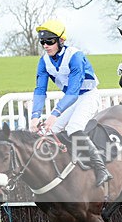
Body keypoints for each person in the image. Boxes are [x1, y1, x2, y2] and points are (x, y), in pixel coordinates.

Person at [29, 19, 112, 187]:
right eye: (42, 42)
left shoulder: (75, 56)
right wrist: (35, 116)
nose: (45, 45)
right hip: (71, 98)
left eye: (49, 41)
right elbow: (40, 90)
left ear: (61, 41)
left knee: (73, 127)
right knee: (49, 130)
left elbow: (73, 92)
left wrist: (55, 113)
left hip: (88, 95)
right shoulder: (43, 62)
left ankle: (101, 168)